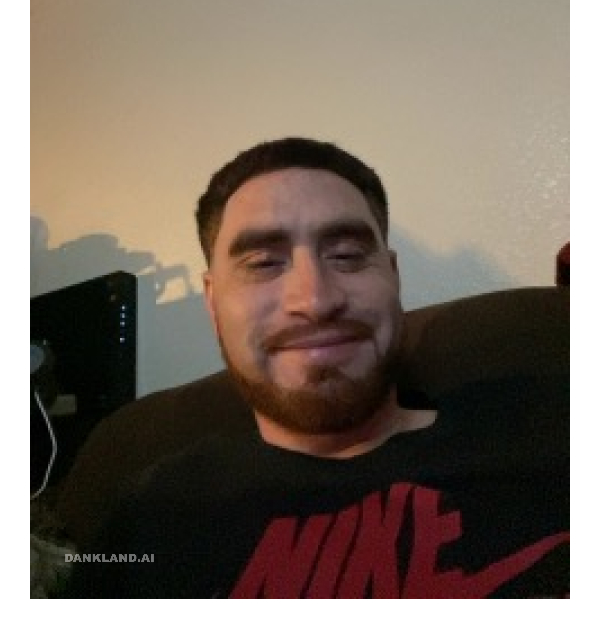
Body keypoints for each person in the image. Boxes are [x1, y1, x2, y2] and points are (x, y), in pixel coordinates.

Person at [65, 137, 569, 598]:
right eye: (264, 263)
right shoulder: (151, 515)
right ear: (213, 303)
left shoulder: (552, 433)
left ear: (392, 277)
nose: (315, 300)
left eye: (347, 255)